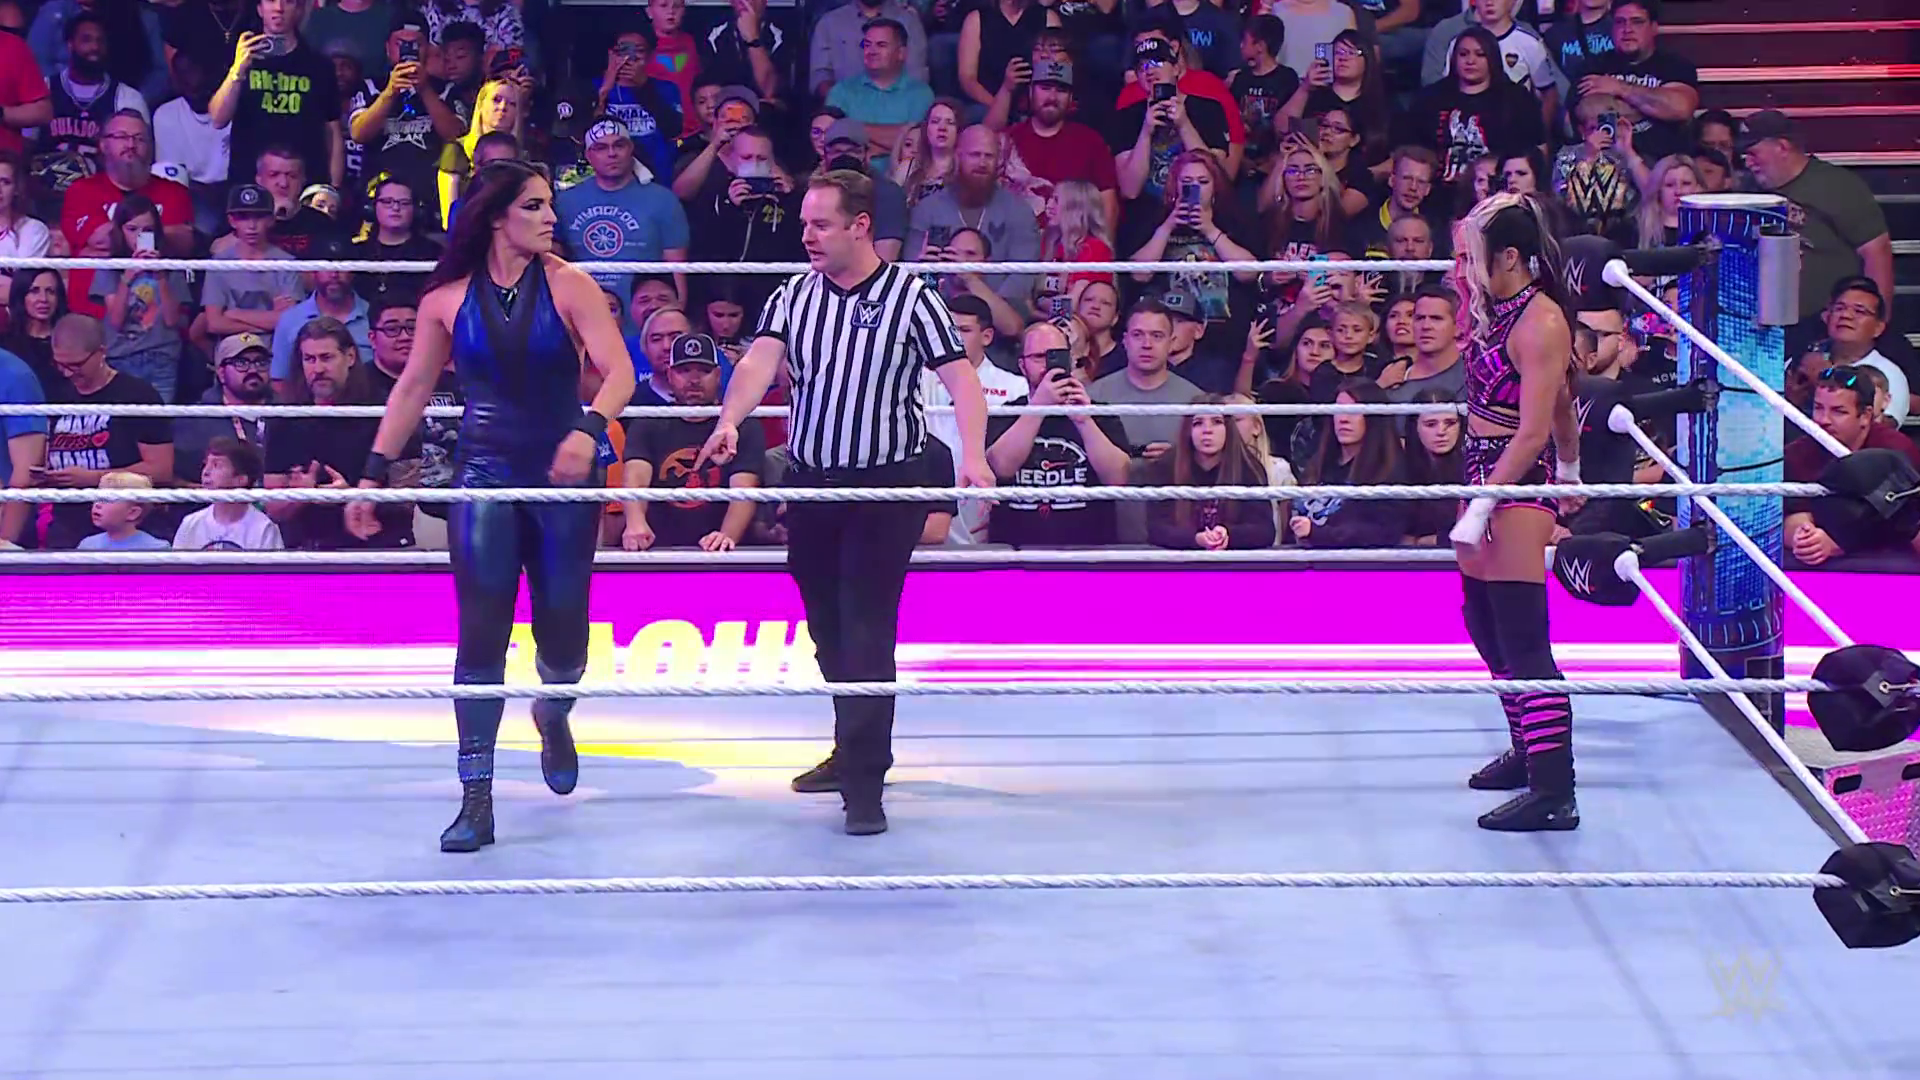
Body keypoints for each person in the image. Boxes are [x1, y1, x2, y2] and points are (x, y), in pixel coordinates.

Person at [695, 169, 991, 837]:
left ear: (860, 226)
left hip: (886, 487)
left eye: (820, 224)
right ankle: (850, 746)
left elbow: (961, 381)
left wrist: (973, 454)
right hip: (813, 484)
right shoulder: (794, 294)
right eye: (805, 223)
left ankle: (865, 781)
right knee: (827, 628)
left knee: (866, 628)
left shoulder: (911, 297)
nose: (807, 235)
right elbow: (757, 364)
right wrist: (730, 419)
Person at [354, 159, 637, 853]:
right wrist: (372, 471)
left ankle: (554, 709)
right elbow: (412, 387)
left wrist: (588, 431)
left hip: (563, 473)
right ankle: (475, 798)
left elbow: (620, 373)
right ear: (496, 216)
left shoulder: (570, 284)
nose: (550, 218)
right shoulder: (446, 300)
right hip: (483, 471)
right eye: (534, 206)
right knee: (480, 632)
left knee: (564, 630)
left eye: (549, 205)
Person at [1448, 191, 1583, 833]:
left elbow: (1535, 428)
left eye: (1472, 255)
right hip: (1480, 466)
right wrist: (1573, 466)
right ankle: (1529, 750)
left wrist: (1555, 474)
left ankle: (1556, 790)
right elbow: (1561, 399)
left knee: (1524, 637)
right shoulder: (1493, 308)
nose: (1463, 268)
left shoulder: (1541, 322)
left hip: (1516, 477)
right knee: (1484, 621)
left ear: (1508, 256)